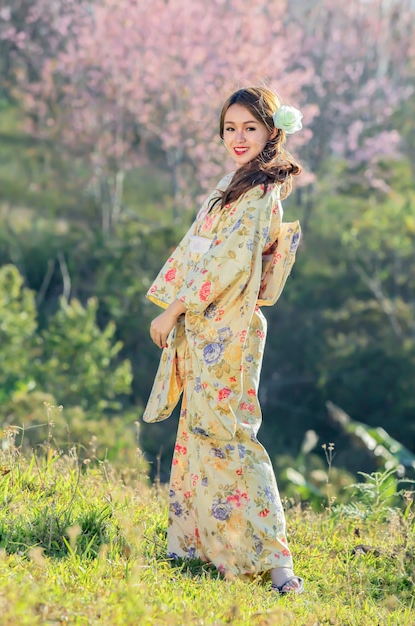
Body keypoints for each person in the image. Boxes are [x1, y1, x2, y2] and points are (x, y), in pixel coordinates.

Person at [143, 86, 304, 595]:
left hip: (227, 328)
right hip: (208, 324)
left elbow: (225, 263)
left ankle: (278, 564)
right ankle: (198, 545)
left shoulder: (259, 193)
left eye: (249, 128)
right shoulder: (234, 184)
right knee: (199, 432)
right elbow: (197, 248)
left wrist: (172, 309)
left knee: (232, 437)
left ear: (271, 131)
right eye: (230, 128)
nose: (238, 137)